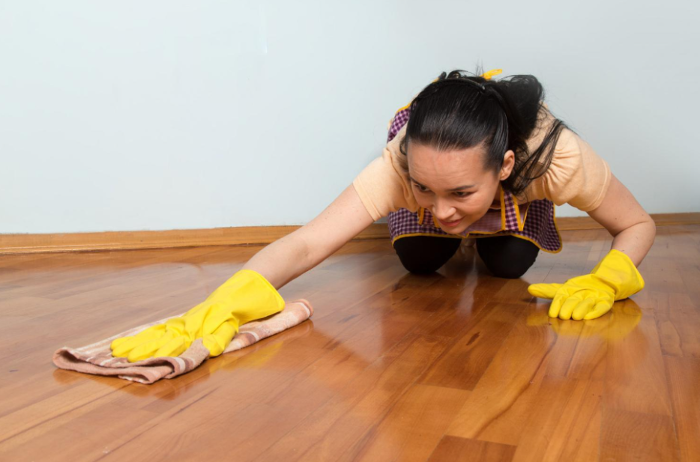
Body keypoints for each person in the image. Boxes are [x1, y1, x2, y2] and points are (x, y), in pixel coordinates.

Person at [111, 68, 656, 363]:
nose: (441, 210)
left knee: (510, 266)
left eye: (460, 191)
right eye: (424, 187)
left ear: (506, 164)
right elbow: (306, 243)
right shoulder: (398, 165)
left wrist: (611, 280)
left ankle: (489, 229)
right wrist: (222, 300)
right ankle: (456, 215)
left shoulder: (554, 156)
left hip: (513, 206)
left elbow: (637, 224)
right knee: (421, 257)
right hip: (445, 183)